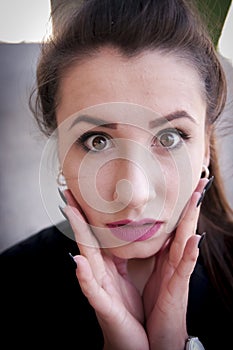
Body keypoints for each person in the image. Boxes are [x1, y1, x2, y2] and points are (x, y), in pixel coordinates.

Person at [1, 0, 233, 349]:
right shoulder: (11, 289)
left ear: (204, 148)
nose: (134, 193)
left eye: (169, 137)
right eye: (98, 141)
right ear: (60, 151)